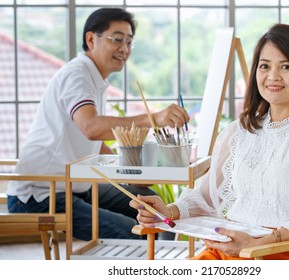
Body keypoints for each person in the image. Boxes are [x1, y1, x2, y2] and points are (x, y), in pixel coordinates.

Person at [130, 23, 289, 260]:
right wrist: (168, 210)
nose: (273, 76)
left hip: (280, 252)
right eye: (265, 66)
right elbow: (207, 196)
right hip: (227, 248)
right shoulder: (239, 131)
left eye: (286, 66)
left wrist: (260, 242)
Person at [6, 8, 189, 241]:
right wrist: (153, 118)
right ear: (91, 39)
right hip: (41, 194)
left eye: (129, 42)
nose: (124, 49)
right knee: (137, 233)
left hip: (75, 188)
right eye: (117, 39)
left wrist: (129, 173)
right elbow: (91, 128)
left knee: (152, 205)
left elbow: (95, 144)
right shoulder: (77, 74)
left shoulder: (94, 79)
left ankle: (160, 264)